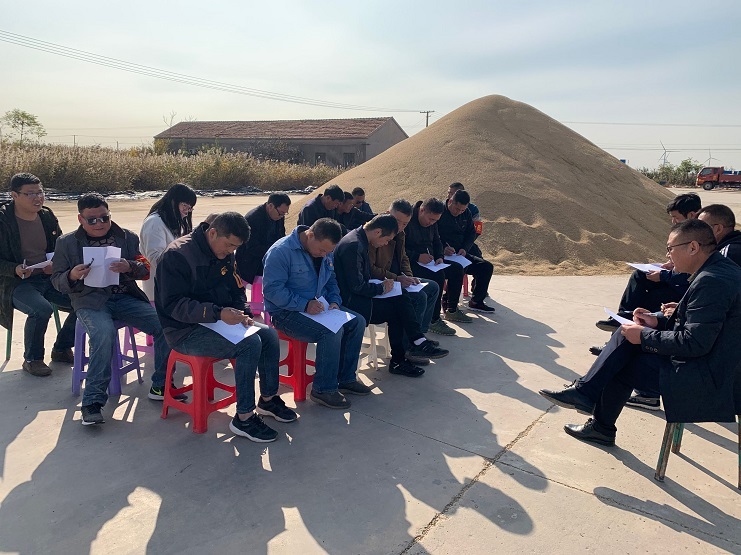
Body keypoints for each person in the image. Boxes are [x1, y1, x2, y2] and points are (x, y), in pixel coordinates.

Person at [538, 219, 741, 446]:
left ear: (693, 247)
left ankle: (593, 410)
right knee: (627, 336)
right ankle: (589, 401)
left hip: (715, 378)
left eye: (670, 249)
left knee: (625, 363)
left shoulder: (712, 281)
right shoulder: (717, 270)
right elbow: (705, 323)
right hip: (714, 361)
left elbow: (694, 342)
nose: (668, 256)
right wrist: (658, 320)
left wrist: (644, 335)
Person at [156, 212, 296, 442]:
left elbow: (236, 289)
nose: (231, 251)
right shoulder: (177, 255)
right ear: (213, 233)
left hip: (219, 322)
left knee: (269, 335)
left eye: (235, 248)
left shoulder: (225, 254)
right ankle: (244, 417)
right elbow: (173, 305)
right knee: (250, 344)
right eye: (229, 245)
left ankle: (268, 399)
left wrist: (244, 313)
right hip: (184, 330)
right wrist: (217, 313)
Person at [51, 193, 171, 425]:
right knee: (103, 334)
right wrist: (72, 275)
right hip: (89, 300)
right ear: (80, 219)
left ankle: (160, 385)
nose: (99, 224)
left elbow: (145, 268)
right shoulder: (66, 243)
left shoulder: (126, 237)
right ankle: (92, 402)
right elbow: (56, 280)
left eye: (104, 218)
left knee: (164, 325)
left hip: (125, 297)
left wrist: (130, 266)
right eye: (92, 220)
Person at [263, 218, 370, 409]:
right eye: (321, 250)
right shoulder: (281, 251)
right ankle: (323, 389)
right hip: (285, 313)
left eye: (328, 252)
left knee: (357, 322)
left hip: (318, 307)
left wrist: (335, 301)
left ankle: (345, 378)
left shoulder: (325, 250)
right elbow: (272, 291)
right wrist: (304, 305)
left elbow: (331, 280)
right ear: (310, 235)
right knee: (331, 331)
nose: (324, 255)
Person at [334, 215, 449, 378]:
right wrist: (381, 288)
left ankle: (410, 348)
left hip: (361, 296)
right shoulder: (354, 245)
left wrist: (386, 285)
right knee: (398, 307)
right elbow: (357, 286)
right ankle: (413, 345)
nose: (386, 244)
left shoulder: (360, 239)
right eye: (387, 239)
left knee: (400, 297)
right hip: (353, 302)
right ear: (378, 232)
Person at [0, 173, 76, 376]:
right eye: (30, 193)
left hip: (48, 276)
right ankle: (32, 359)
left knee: (85, 299)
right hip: (15, 282)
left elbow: (61, 247)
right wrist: (14, 269)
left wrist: (56, 264)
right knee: (41, 309)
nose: (38, 198)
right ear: (14, 195)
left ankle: (61, 348)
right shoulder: (3, 221)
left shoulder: (46, 216)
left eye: (40, 192)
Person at [594, 193, 701, 332]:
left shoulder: (702, 238)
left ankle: (629, 325)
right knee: (639, 275)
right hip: (676, 277)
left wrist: (664, 276)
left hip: (684, 287)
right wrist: (672, 264)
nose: (673, 222)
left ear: (691, 215)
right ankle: (622, 318)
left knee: (651, 297)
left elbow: (696, 275)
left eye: (676, 217)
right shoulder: (686, 233)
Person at [368, 199, 440, 362]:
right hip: (383, 281)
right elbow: (371, 269)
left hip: (399, 278)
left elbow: (404, 258)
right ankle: (409, 346)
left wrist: (408, 275)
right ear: (388, 214)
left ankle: (419, 337)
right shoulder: (376, 232)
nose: (400, 227)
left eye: (405, 224)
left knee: (432, 287)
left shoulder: (400, 233)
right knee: (419, 297)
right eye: (398, 221)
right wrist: (397, 278)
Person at [405, 198, 468, 335]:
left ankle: (451, 309)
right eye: (431, 219)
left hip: (430, 262)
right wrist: (417, 256)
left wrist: (439, 256)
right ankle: (433, 320)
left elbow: (437, 241)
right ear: (422, 210)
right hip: (409, 264)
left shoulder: (432, 222)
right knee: (438, 276)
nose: (432, 223)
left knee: (457, 269)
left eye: (435, 221)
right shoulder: (407, 219)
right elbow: (398, 249)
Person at [438, 189, 495, 313]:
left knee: (486, 267)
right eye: (457, 209)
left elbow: (471, 233)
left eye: (462, 210)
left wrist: (465, 248)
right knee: (458, 269)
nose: (459, 212)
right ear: (450, 201)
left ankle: (476, 301)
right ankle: (449, 304)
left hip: (459, 254)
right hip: (441, 256)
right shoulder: (439, 211)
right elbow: (432, 235)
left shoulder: (467, 213)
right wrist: (442, 248)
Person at [139, 183, 197, 301]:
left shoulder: (173, 222)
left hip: (172, 287)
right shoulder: (155, 222)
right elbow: (155, 258)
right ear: (173, 202)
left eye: (190, 208)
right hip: (159, 291)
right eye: (184, 206)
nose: (187, 211)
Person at [235, 193, 291, 284]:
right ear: (271, 206)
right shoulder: (253, 219)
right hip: (251, 264)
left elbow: (281, 236)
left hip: (269, 261)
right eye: (281, 213)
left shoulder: (278, 216)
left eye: (284, 214)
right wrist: (275, 252)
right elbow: (252, 247)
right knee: (254, 290)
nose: (281, 216)